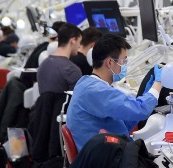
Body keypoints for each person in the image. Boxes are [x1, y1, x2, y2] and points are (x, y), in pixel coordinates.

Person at [66, 34, 163, 151]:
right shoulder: (96, 91)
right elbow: (140, 110)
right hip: (104, 159)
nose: (124, 65)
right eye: (123, 61)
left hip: (103, 151)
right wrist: (158, 83)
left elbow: (123, 125)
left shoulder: (86, 83)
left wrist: (146, 95)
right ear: (110, 63)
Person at [30, 23, 82, 165]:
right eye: (79, 42)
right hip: (58, 137)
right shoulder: (71, 69)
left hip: (43, 135)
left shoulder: (44, 64)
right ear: (72, 40)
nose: (79, 46)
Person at [20, 21, 64, 88]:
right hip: (30, 88)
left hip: (24, 85)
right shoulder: (48, 51)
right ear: (58, 38)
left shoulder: (42, 46)